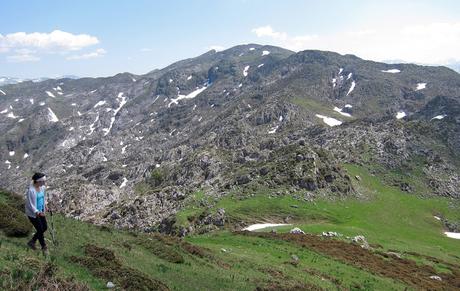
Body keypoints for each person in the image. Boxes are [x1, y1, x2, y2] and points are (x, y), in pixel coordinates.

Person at [25, 172, 48, 253]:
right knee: (40, 229)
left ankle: (32, 242)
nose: (44, 183)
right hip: (33, 214)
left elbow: (43, 197)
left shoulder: (42, 188)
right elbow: (31, 204)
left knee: (44, 227)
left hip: (41, 211)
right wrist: (38, 212)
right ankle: (44, 247)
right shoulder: (31, 191)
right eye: (43, 181)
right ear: (38, 181)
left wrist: (45, 205)